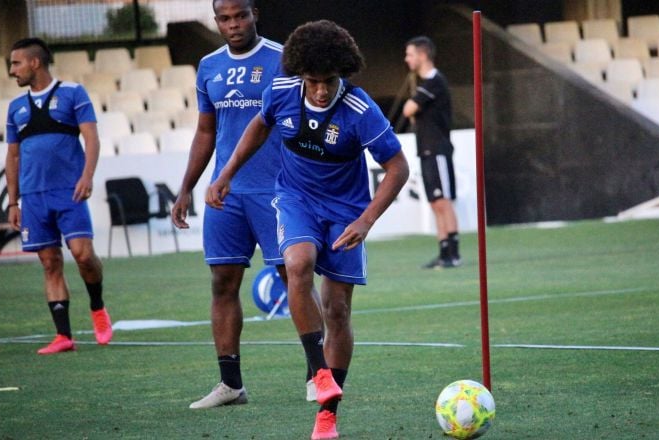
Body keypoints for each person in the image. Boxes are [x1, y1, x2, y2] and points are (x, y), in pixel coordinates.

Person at [206, 20, 409, 440]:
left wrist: (366, 220)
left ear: (343, 74)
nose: (320, 90)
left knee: (337, 310)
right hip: (296, 200)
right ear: (299, 74)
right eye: (312, 81)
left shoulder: (359, 110)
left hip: (346, 211)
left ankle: (327, 418)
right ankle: (318, 373)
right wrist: (225, 174)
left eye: (329, 81)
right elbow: (258, 127)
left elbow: (398, 167)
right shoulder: (280, 92)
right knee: (297, 264)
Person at [171, 0, 316, 409]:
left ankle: (316, 374)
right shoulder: (208, 67)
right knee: (222, 283)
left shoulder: (283, 59)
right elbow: (205, 130)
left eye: (241, 16)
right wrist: (186, 187)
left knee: (295, 279)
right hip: (226, 193)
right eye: (225, 18)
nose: (233, 25)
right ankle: (230, 385)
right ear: (216, 21)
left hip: (278, 191)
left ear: (255, 14)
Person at [4, 37, 112, 354]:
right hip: (33, 198)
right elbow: (12, 157)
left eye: (16, 63)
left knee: (82, 255)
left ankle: (98, 308)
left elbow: (92, 138)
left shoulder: (72, 94)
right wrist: (13, 201)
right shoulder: (16, 108)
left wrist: (87, 176)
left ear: (35, 63)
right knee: (50, 262)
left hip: (69, 192)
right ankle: (63, 336)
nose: (12, 71)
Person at [403, 36, 461, 269]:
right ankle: (443, 250)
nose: (407, 59)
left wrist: (414, 110)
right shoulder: (425, 84)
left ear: (422, 55)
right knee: (435, 202)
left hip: (438, 149)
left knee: (443, 202)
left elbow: (409, 109)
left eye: (410, 54)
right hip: (426, 150)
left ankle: (453, 253)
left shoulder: (434, 81)